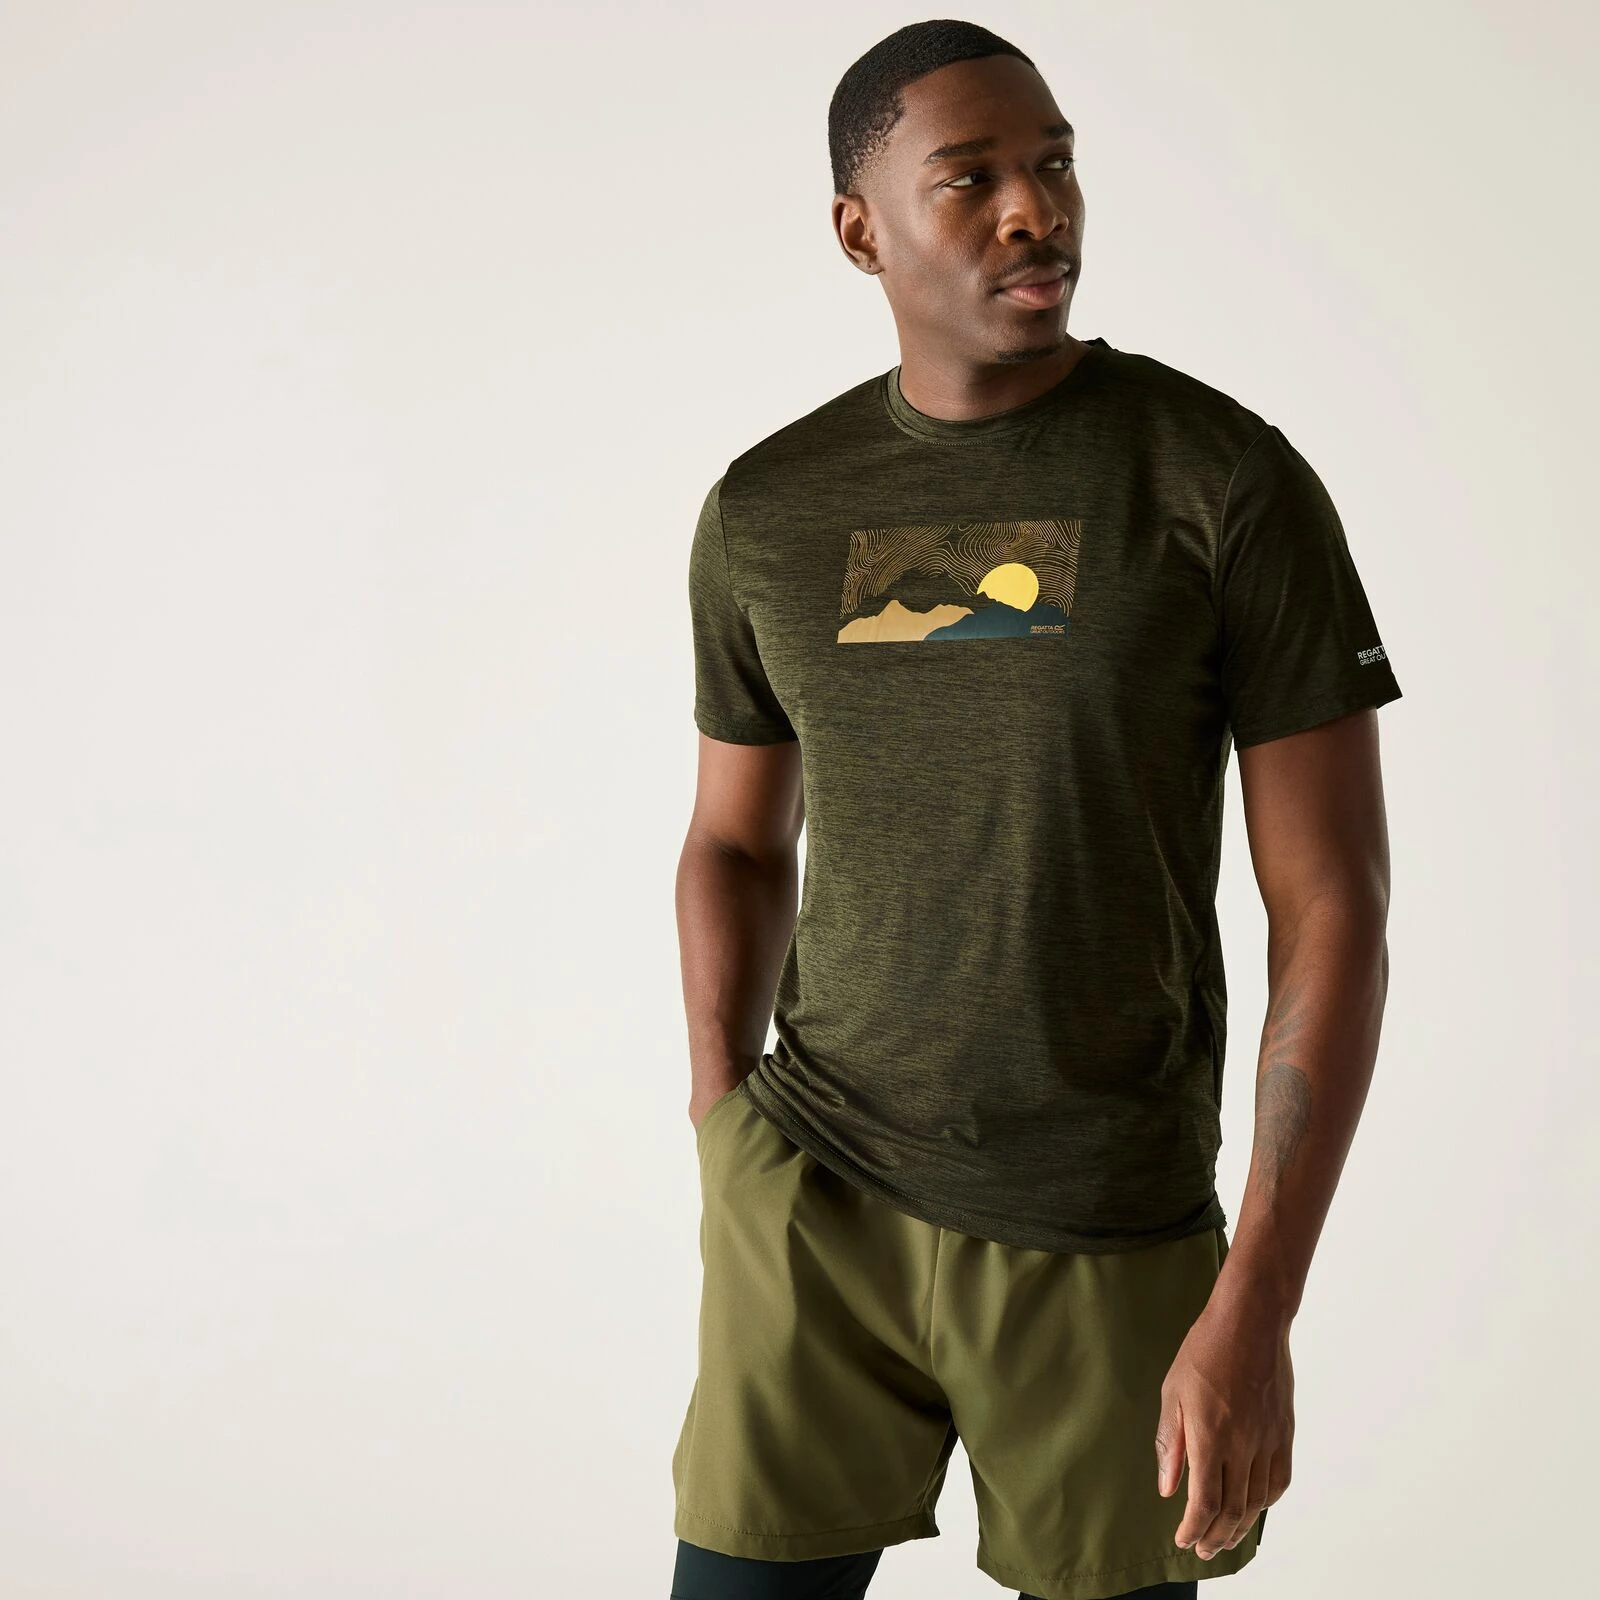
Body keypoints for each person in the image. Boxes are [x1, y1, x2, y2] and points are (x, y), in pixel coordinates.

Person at [669, 19, 1401, 1600]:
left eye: (1055, 165)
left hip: (1105, 1232)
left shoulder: (1223, 483)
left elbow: (1333, 903)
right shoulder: (767, 510)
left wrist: (1258, 1300)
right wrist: (725, 1118)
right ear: (860, 229)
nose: (1036, 210)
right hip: (813, 1203)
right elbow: (732, 838)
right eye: (973, 178)